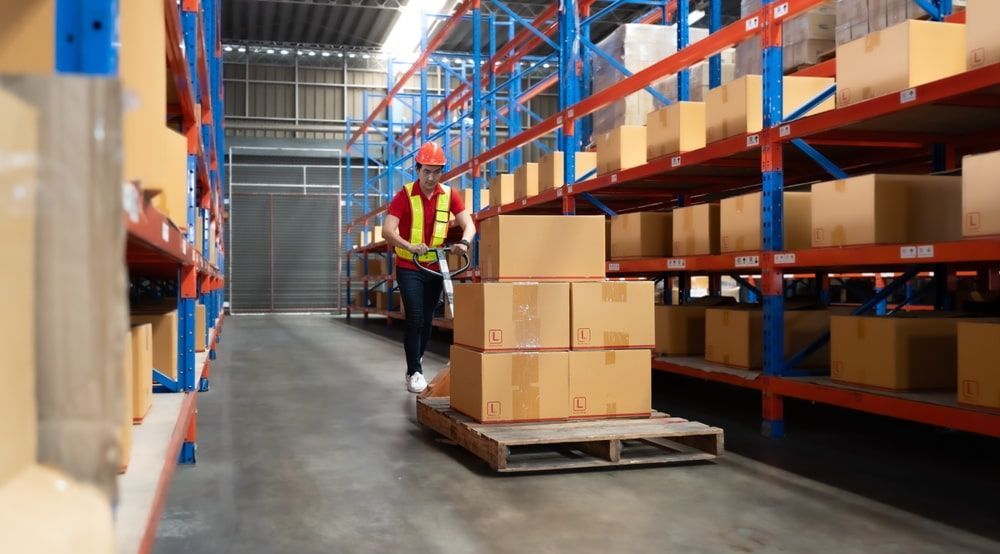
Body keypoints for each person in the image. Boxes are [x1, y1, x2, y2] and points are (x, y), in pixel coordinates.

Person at [383, 142, 477, 393]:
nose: (431, 177)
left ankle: (416, 360)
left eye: (436, 171)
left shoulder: (449, 195)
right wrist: (409, 246)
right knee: (414, 316)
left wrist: (464, 243)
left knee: (426, 319)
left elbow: (470, 225)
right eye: (426, 171)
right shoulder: (404, 195)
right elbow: (387, 230)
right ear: (417, 169)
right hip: (409, 266)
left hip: (436, 267)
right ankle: (414, 371)